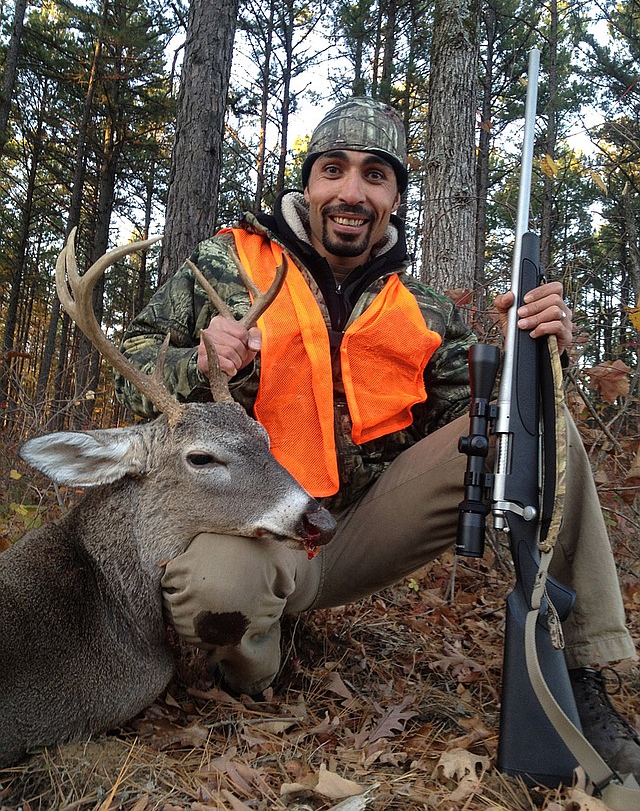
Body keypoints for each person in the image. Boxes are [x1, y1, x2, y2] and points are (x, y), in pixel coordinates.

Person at [116, 97, 640, 780]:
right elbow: (130, 367)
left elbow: (479, 421)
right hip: (254, 531)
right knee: (221, 591)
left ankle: (580, 676)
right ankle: (255, 648)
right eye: (333, 170)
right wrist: (196, 361)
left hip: (357, 531)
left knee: (537, 423)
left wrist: (534, 357)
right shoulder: (226, 265)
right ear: (308, 184)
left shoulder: (418, 308)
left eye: (375, 175)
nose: (351, 191)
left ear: (394, 196)